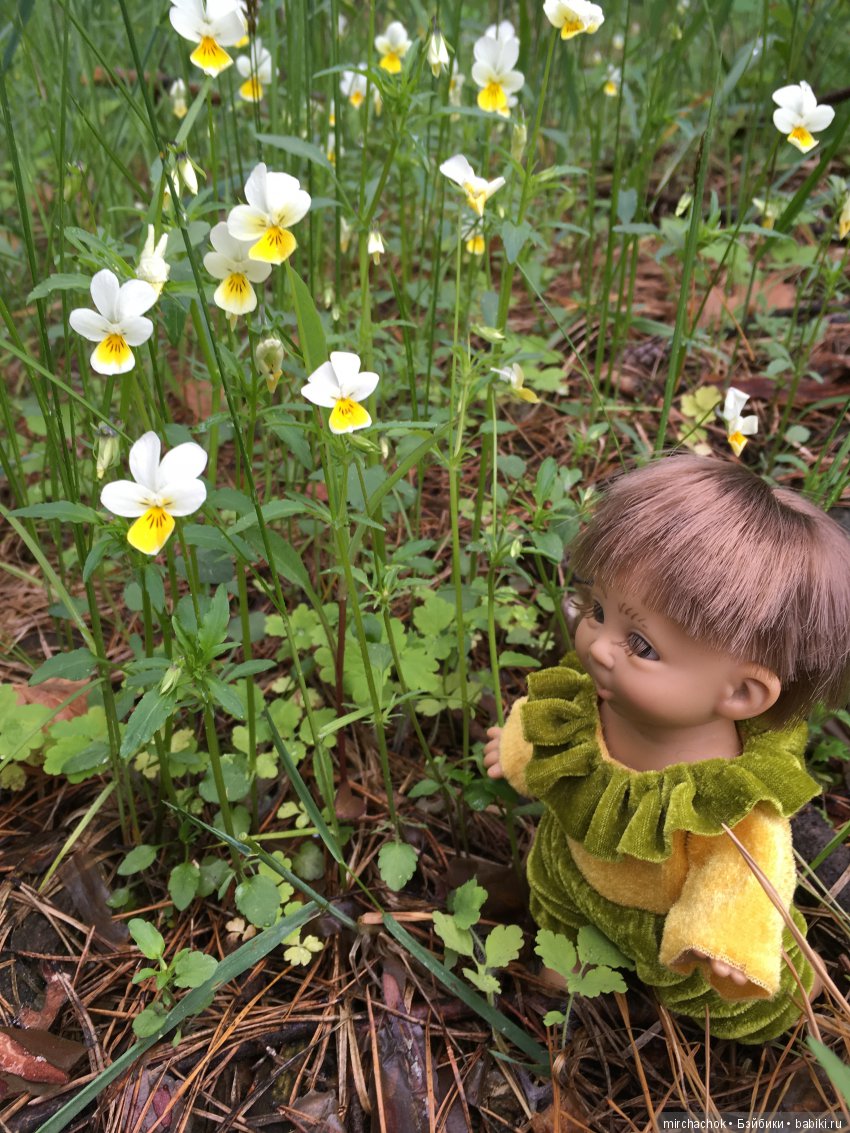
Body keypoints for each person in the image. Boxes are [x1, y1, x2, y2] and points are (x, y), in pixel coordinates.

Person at [484, 455, 850, 1041]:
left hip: (672, 928)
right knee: (555, 903)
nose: (599, 647)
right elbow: (556, 730)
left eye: (641, 645)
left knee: (725, 1003)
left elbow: (748, 874)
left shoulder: (728, 798)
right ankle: (565, 972)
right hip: (573, 870)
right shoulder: (595, 702)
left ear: (741, 692)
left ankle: (802, 999)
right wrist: (519, 746)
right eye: (597, 610)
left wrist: (727, 939)